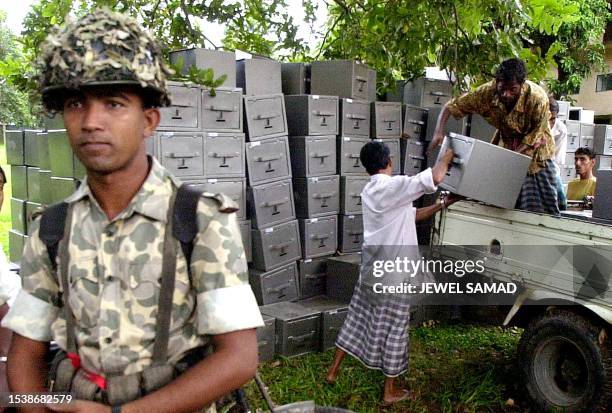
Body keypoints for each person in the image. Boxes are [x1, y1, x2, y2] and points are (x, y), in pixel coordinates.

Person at [1, 9, 263, 413]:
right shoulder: (52, 229)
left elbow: (240, 358)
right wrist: (42, 407)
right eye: (75, 103)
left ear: (149, 120)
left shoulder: (197, 220)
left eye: (114, 103)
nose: (91, 122)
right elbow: (24, 356)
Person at [326, 141, 461, 405]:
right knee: (396, 331)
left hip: (371, 272)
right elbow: (435, 176)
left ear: (367, 168)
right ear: (388, 161)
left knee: (356, 318)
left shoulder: (370, 190)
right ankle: (389, 392)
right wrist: (453, 153)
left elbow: (411, 215)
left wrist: (443, 204)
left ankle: (332, 372)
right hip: (394, 276)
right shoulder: (392, 186)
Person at [430, 58, 559, 215]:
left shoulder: (537, 98)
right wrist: (438, 131)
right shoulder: (486, 93)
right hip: (506, 148)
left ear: (522, 84)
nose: (506, 94)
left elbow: (535, 135)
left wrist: (509, 160)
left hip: (538, 155)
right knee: (503, 206)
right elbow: (452, 106)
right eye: (502, 88)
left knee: (540, 210)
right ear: (496, 82)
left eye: (512, 89)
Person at [549, 97, 568, 210]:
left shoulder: (561, 129)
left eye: (553, 119)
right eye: (548, 118)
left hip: (550, 163)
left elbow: (556, 159)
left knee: (558, 188)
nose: (550, 122)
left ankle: (562, 208)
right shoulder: (535, 122)